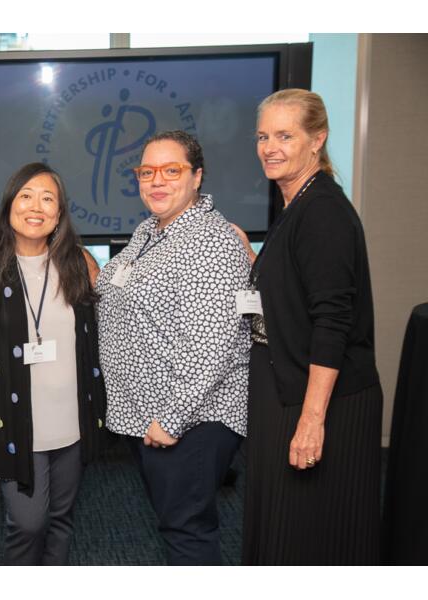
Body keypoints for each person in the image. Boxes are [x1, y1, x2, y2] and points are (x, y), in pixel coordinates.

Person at [96, 131, 251, 565]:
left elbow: (211, 345)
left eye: (171, 170)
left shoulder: (211, 241)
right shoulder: (149, 230)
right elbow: (113, 291)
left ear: (197, 176)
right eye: (147, 172)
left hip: (191, 419)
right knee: (174, 521)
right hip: (150, 412)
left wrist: (171, 418)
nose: (156, 181)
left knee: (187, 530)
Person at [242, 89, 382, 565]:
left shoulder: (322, 211)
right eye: (263, 135)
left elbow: (332, 322)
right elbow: (294, 289)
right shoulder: (295, 203)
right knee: (286, 529)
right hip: (285, 386)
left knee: (309, 538)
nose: (270, 147)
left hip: (317, 399)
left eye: (285, 135)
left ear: (316, 140)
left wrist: (311, 420)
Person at [0, 162, 107, 565]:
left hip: (71, 420)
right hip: (13, 422)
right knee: (27, 523)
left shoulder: (80, 263)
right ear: (10, 205)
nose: (36, 206)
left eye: (48, 199)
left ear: (60, 214)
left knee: (61, 518)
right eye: (26, 195)